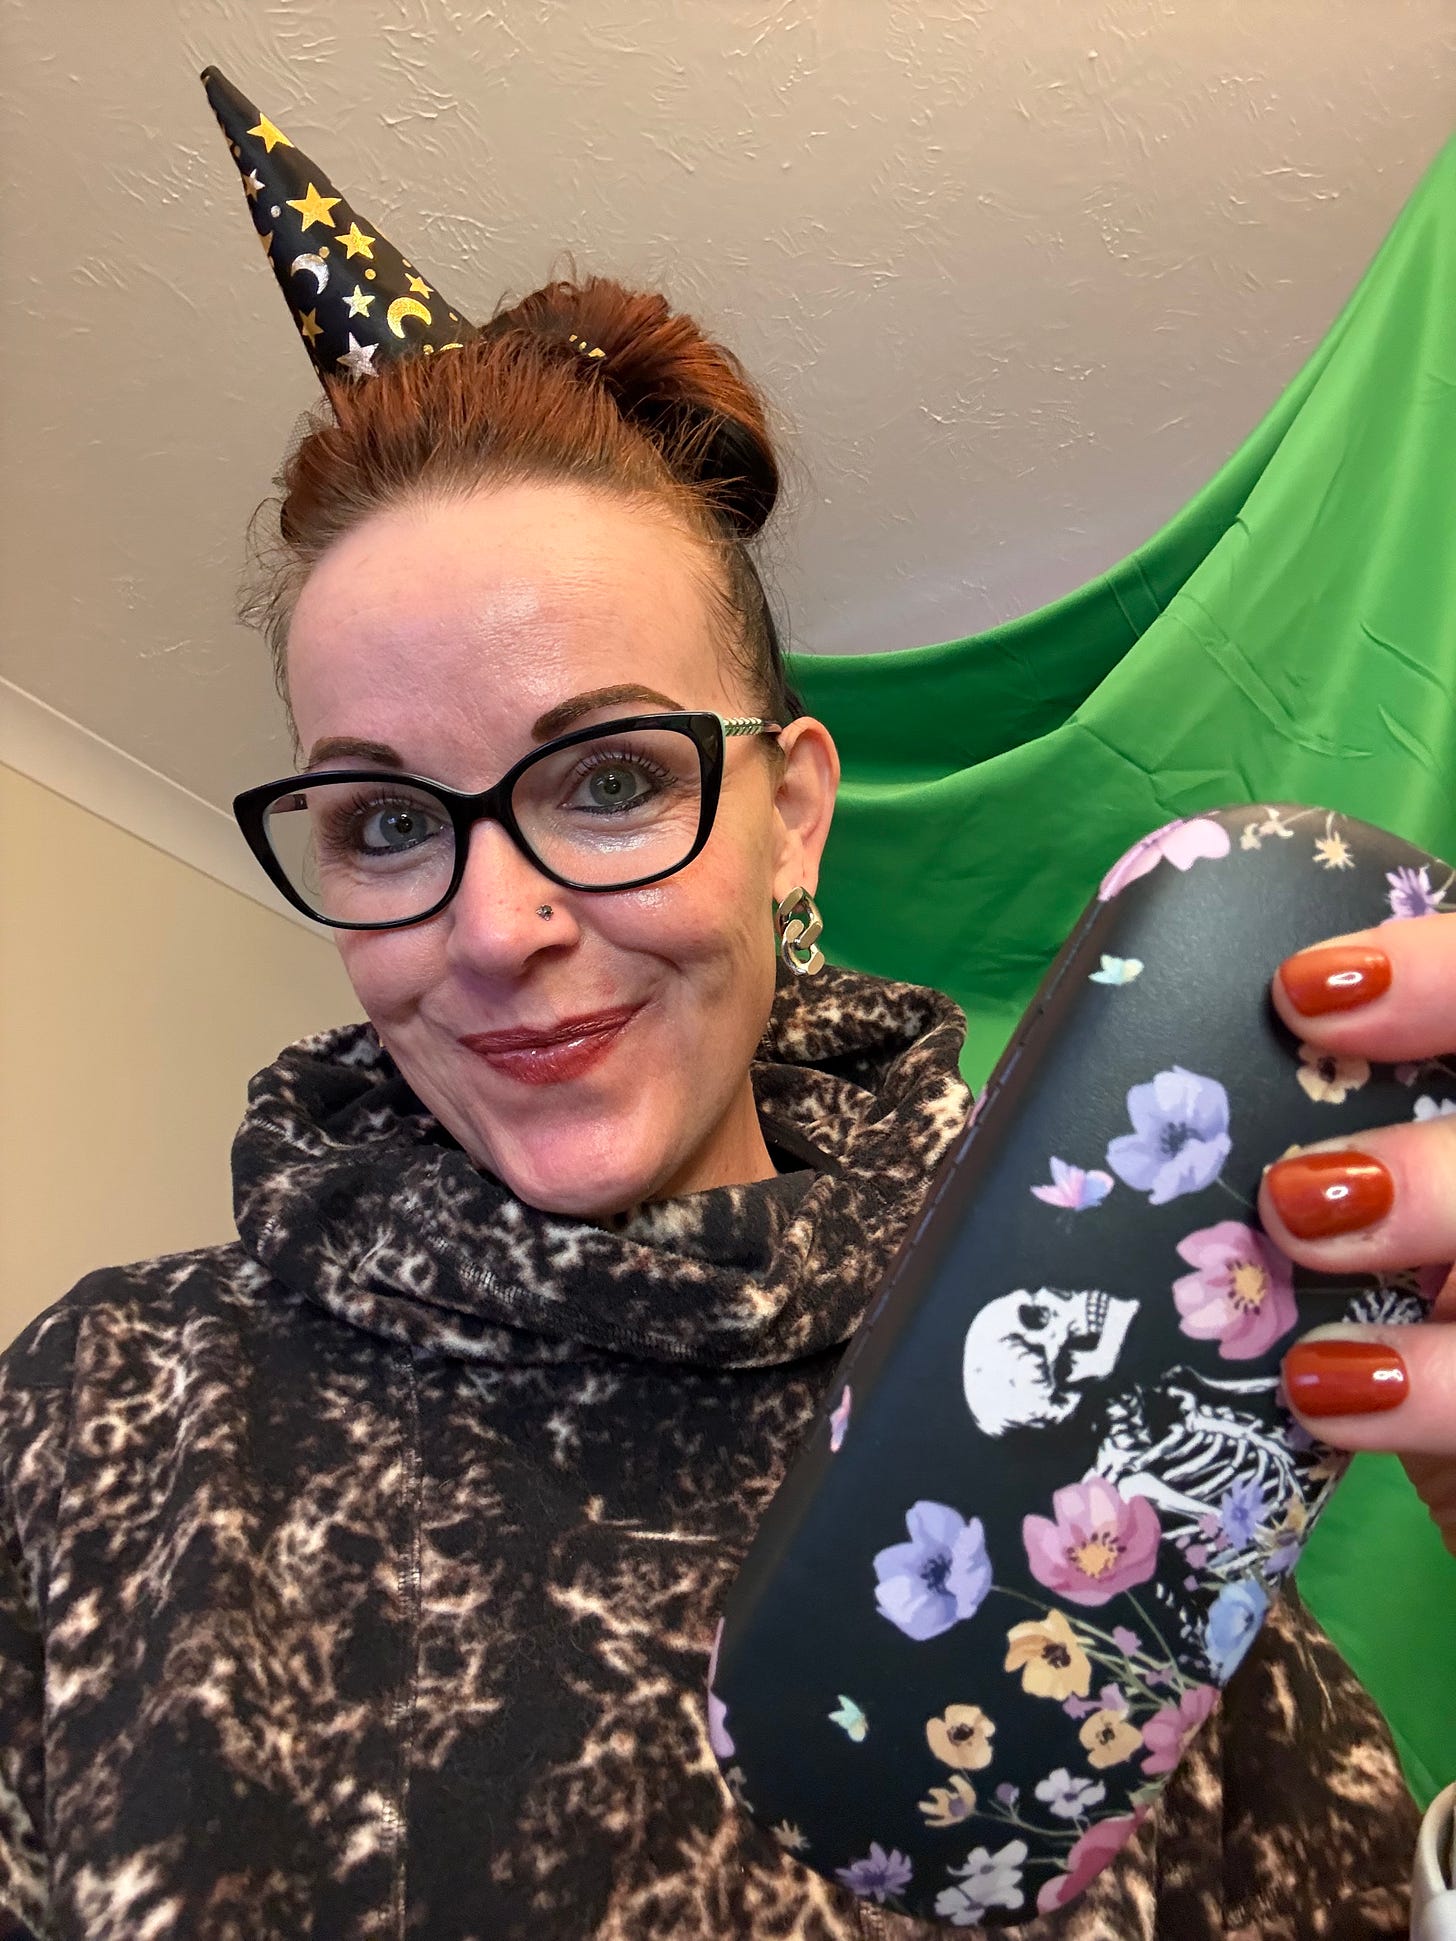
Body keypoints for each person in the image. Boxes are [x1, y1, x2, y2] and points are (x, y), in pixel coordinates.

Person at [0, 63, 1448, 1941]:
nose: (497, 927)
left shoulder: (1101, 1380)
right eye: (380, 818)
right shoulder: (106, 1418)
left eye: (608, 777)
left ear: (791, 812)